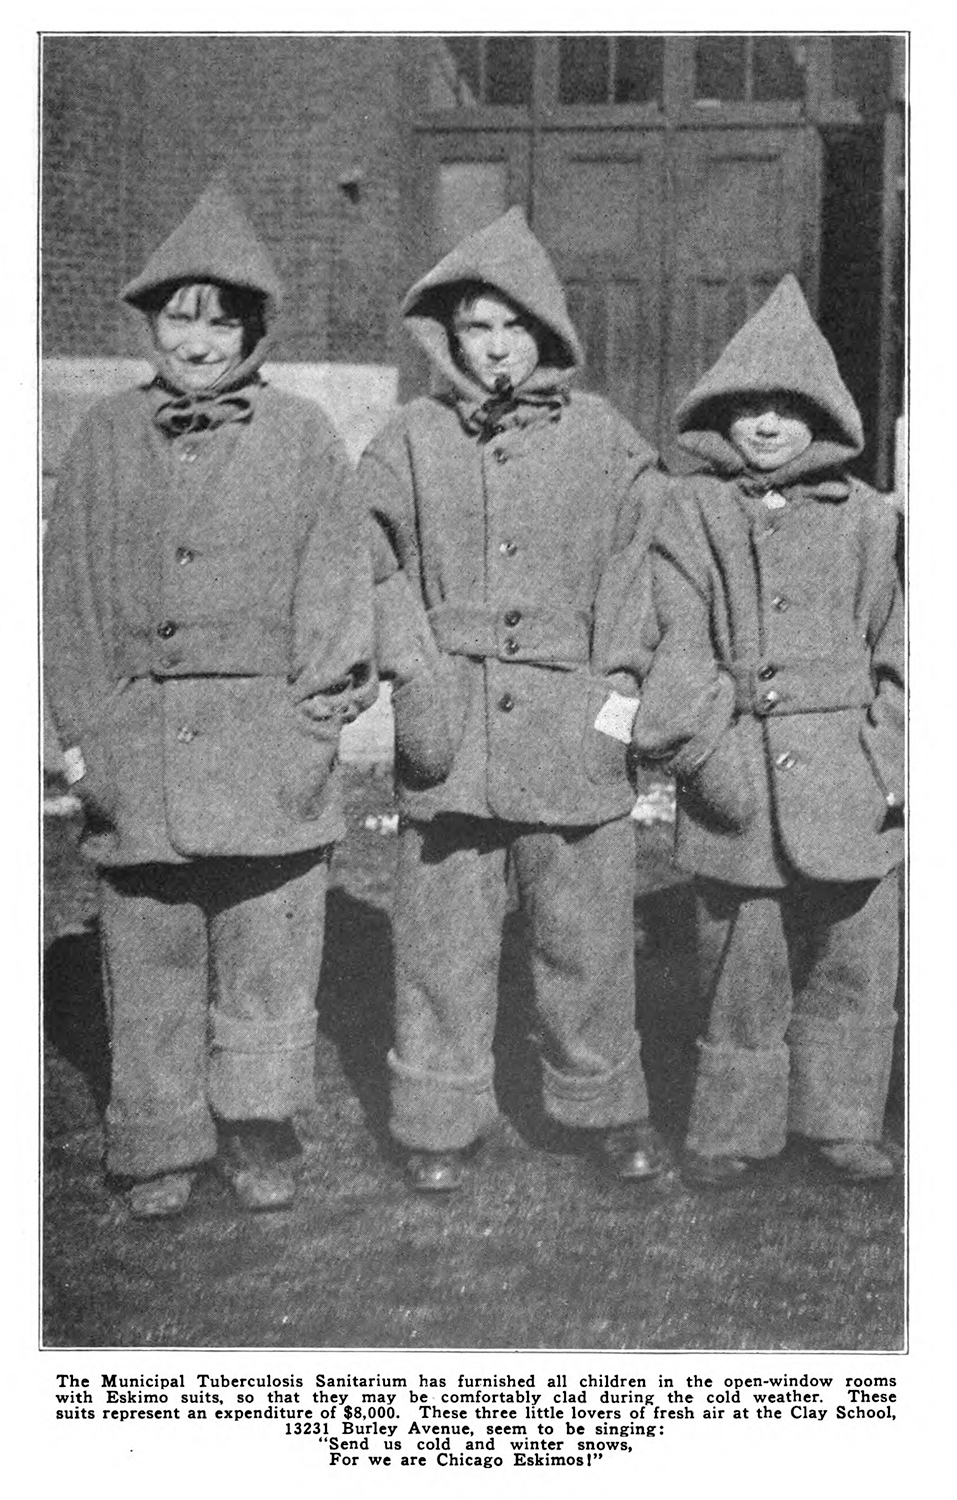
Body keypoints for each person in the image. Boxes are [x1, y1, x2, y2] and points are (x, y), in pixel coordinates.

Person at [44, 176, 376, 1218]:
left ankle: (259, 1129)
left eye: (219, 320)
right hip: (139, 743)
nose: (197, 343)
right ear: (152, 327)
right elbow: (71, 597)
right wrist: (86, 735)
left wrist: (313, 724)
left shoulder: (303, 436)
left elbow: (337, 586)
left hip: (267, 745)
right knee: (149, 954)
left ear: (254, 329)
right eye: (178, 321)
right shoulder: (103, 438)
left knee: (268, 948)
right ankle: (156, 1143)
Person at [357, 206, 669, 1193]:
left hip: (569, 728)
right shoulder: (408, 439)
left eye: (515, 326)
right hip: (453, 728)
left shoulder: (606, 439)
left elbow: (641, 567)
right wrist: (414, 667)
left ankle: (603, 1108)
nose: (497, 346)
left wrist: (615, 693)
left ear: (549, 333)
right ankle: (438, 1119)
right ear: (447, 336)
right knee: (441, 943)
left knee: (585, 939)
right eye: (477, 327)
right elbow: (363, 561)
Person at [630, 274, 904, 1187]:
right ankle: (730, 1127)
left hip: (850, 779)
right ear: (719, 415)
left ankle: (840, 1120)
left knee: (853, 958)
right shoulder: (689, 511)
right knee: (739, 960)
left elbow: (906, 651)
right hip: (735, 768)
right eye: (746, 408)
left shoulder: (873, 522)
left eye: (790, 409)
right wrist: (702, 750)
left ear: (824, 418)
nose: (766, 426)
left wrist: (889, 759)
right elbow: (674, 641)